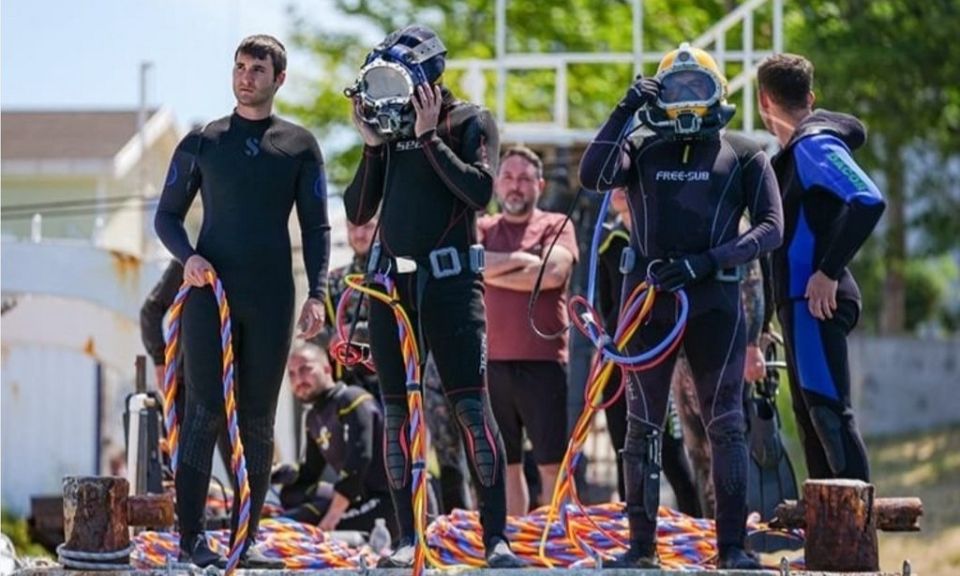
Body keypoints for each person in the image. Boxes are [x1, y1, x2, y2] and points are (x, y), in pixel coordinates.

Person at [579, 43, 783, 569]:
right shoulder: (642, 147)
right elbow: (592, 175)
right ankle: (641, 549)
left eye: (699, 88)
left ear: (719, 94)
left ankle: (732, 548)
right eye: (676, 88)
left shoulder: (744, 153)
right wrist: (624, 108)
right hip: (649, 303)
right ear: (658, 96)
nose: (688, 99)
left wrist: (707, 262)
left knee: (727, 424)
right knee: (641, 426)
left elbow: (770, 229)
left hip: (714, 303)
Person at [343, 25, 523, 568]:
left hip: (451, 286)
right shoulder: (388, 132)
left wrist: (428, 138)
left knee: (471, 408)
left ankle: (495, 539)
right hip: (391, 288)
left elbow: (480, 192)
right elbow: (358, 211)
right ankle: (407, 539)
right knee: (397, 414)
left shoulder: (469, 121)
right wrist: (372, 147)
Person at [154, 34, 330, 569]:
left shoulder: (299, 146)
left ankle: (245, 540)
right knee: (203, 413)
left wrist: (318, 293)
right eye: (240, 66)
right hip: (212, 295)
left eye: (257, 69)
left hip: (272, 297)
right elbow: (166, 216)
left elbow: (317, 228)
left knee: (257, 420)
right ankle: (191, 539)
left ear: (279, 79)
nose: (246, 76)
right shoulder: (203, 141)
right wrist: (188, 257)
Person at [757, 53, 884, 482]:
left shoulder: (813, 145)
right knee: (812, 424)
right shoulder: (791, 153)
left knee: (830, 418)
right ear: (810, 97)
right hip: (797, 307)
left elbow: (868, 200)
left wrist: (828, 271)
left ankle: (859, 527)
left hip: (815, 303)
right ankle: (825, 525)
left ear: (763, 101)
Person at [477, 145, 577, 516]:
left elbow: (553, 275)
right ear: (497, 184)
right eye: (507, 177)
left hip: (543, 362)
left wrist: (489, 272)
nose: (515, 185)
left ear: (540, 185)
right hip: (492, 364)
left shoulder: (556, 225)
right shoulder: (483, 228)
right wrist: (520, 260)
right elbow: (466, 266)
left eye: (524, 178)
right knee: (506, 464)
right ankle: (513, 541)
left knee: (551, 464)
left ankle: (556, 540)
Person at [596, 188, 701, 517]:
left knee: (670, 451)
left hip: (657, 355)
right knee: (624, 447)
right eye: (615, 186)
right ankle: (631, 526)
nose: (619, 191)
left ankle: (695, 522)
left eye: (627, 185)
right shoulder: (609, 243)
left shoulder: (662, 235)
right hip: (618, 361)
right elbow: (606, 307)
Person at [273, 341, 395, 535]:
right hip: (356, 499)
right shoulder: (313, 417)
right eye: (292, 374)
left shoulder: (352, 398)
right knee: (289, 498)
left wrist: (330, 519)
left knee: (289, 530)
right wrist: (276, 473)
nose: (298, 379)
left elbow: (359, 461)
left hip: (386, 502)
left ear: (327, 369)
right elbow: (310, 472)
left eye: (305, 369)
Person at [139, 260, 234, 490]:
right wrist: (161, 361)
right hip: (190, 384)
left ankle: (248, 512)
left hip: (232, 383)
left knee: (241, 469)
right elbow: (151, 311)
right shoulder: (190, 258)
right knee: (185, 471)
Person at [323, 217, 381, 399]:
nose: (359, 234)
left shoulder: (397, 275)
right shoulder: (334, 281)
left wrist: (356, 333)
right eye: (353, 228)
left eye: (368, 227)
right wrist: (335, 337)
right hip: (349, 388)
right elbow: (315, 334)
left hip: (396, 381)